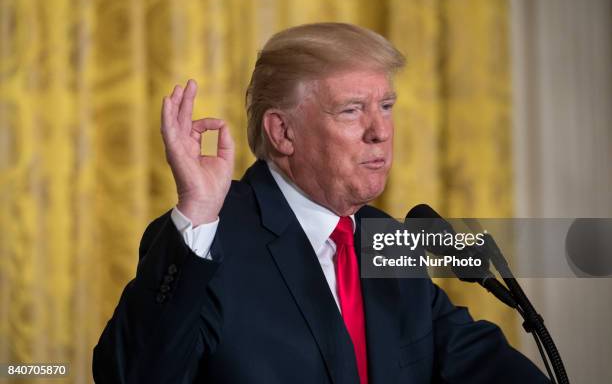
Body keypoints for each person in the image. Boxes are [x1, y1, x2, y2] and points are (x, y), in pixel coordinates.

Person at [92, 23, 549, 383]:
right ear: (283, 132)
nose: (380, 130)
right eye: (352, 110)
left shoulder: (385, 239)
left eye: (386, 106)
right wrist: (196, 212)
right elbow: (135, 375)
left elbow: (476, 362)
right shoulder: (209, 238)